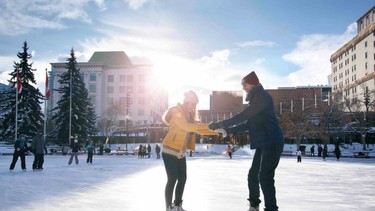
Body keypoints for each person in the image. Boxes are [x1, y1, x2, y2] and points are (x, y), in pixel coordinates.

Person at [208, 71, 284, 211]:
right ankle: (254, 205)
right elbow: (248, 124)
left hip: (272, 141)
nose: (243, 88)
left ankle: (271, 209)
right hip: (264, 143)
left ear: (253, 84)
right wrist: (228, 130)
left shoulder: (262, 97)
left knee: (265, 177)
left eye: (245, 85)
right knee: (253, 175)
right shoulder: (256, 99)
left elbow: (244, 116)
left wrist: (221, 124)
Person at [162, 90, 218, 211]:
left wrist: (216, 130)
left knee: (182, 178)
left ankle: (177, 205)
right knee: (172, 178)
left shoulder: (189, 116)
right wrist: (209, 127)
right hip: (169, 150)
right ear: (186, 102)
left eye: (194, 105)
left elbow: (199, 129)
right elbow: (188, 127)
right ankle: (168, 207)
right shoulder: (177, 112)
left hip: (181, 152)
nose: (193, 107)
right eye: (191, 104)